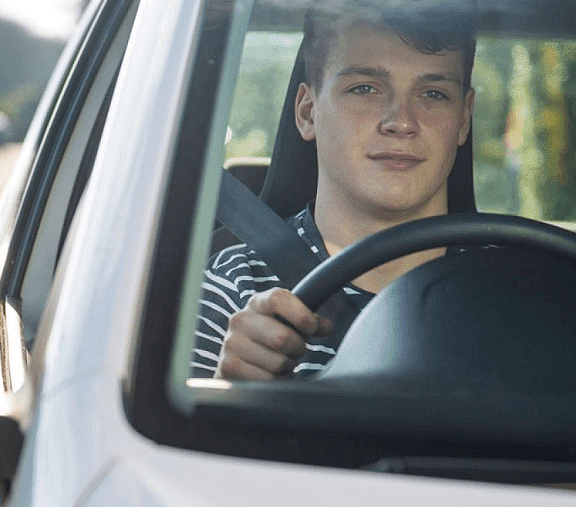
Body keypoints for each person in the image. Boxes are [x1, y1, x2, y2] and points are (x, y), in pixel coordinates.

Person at [192, 3, 476, 380]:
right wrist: (230, 391)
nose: (401, 121)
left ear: (464, 118)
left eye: (434, 94)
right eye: (365, 88)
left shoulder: (521, 289)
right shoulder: (230, 292)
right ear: (308, 112)